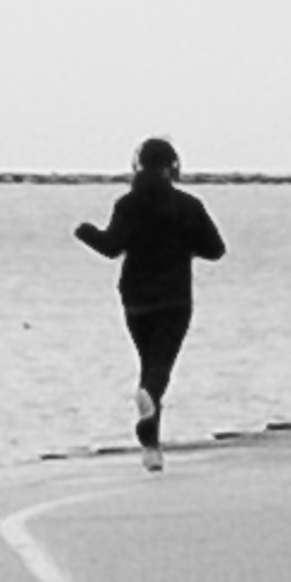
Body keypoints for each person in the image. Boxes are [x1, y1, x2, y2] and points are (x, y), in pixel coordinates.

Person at [76, 134, 224, 460]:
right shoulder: (188, 205)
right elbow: (216, 250)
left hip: (135, 299)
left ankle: (152, 448)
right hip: (174, 298)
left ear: (138, 165)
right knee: (159, 367)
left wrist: (84, 231)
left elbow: (111, 247)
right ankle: (150, 425)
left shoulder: (127, 204)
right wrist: (186, 244)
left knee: (148, 363)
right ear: (173, 167)